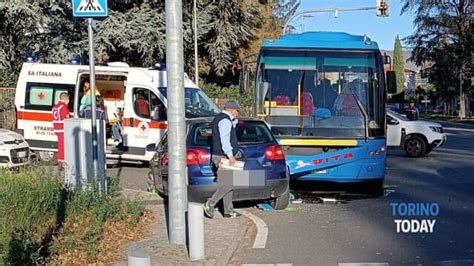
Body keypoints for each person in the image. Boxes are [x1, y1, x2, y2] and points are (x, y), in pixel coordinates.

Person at [203, 100, 242, 219]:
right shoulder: (225, 120)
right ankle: (211, 202)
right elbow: (225, 139)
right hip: (223, 156)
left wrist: (233, 122)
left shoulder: (221, 118)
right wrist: (230, 155)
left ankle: (228, 210)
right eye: (237, 111)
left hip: (220, 155)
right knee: (230, 183)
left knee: (228, 183)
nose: (238, 113)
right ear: (232, 109)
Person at [52, 92, 70, 168]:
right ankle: (61, 162)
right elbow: (67, 119)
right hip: (62, 129)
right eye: (68, 99)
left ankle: (60, 161)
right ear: (66, 99)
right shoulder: (63, 107)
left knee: (60, 146)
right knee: (63, 147)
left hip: (57, 128)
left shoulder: (55, 107)